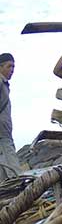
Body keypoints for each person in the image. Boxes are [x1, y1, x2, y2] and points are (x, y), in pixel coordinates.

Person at [0, 53, 23, 181]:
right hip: (3, 136)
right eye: (9, 66)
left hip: (3, 135)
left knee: (3, 176)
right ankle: (24, 195)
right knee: (15, 173)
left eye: (13, 67)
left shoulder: (4, 84)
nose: (12, 70)